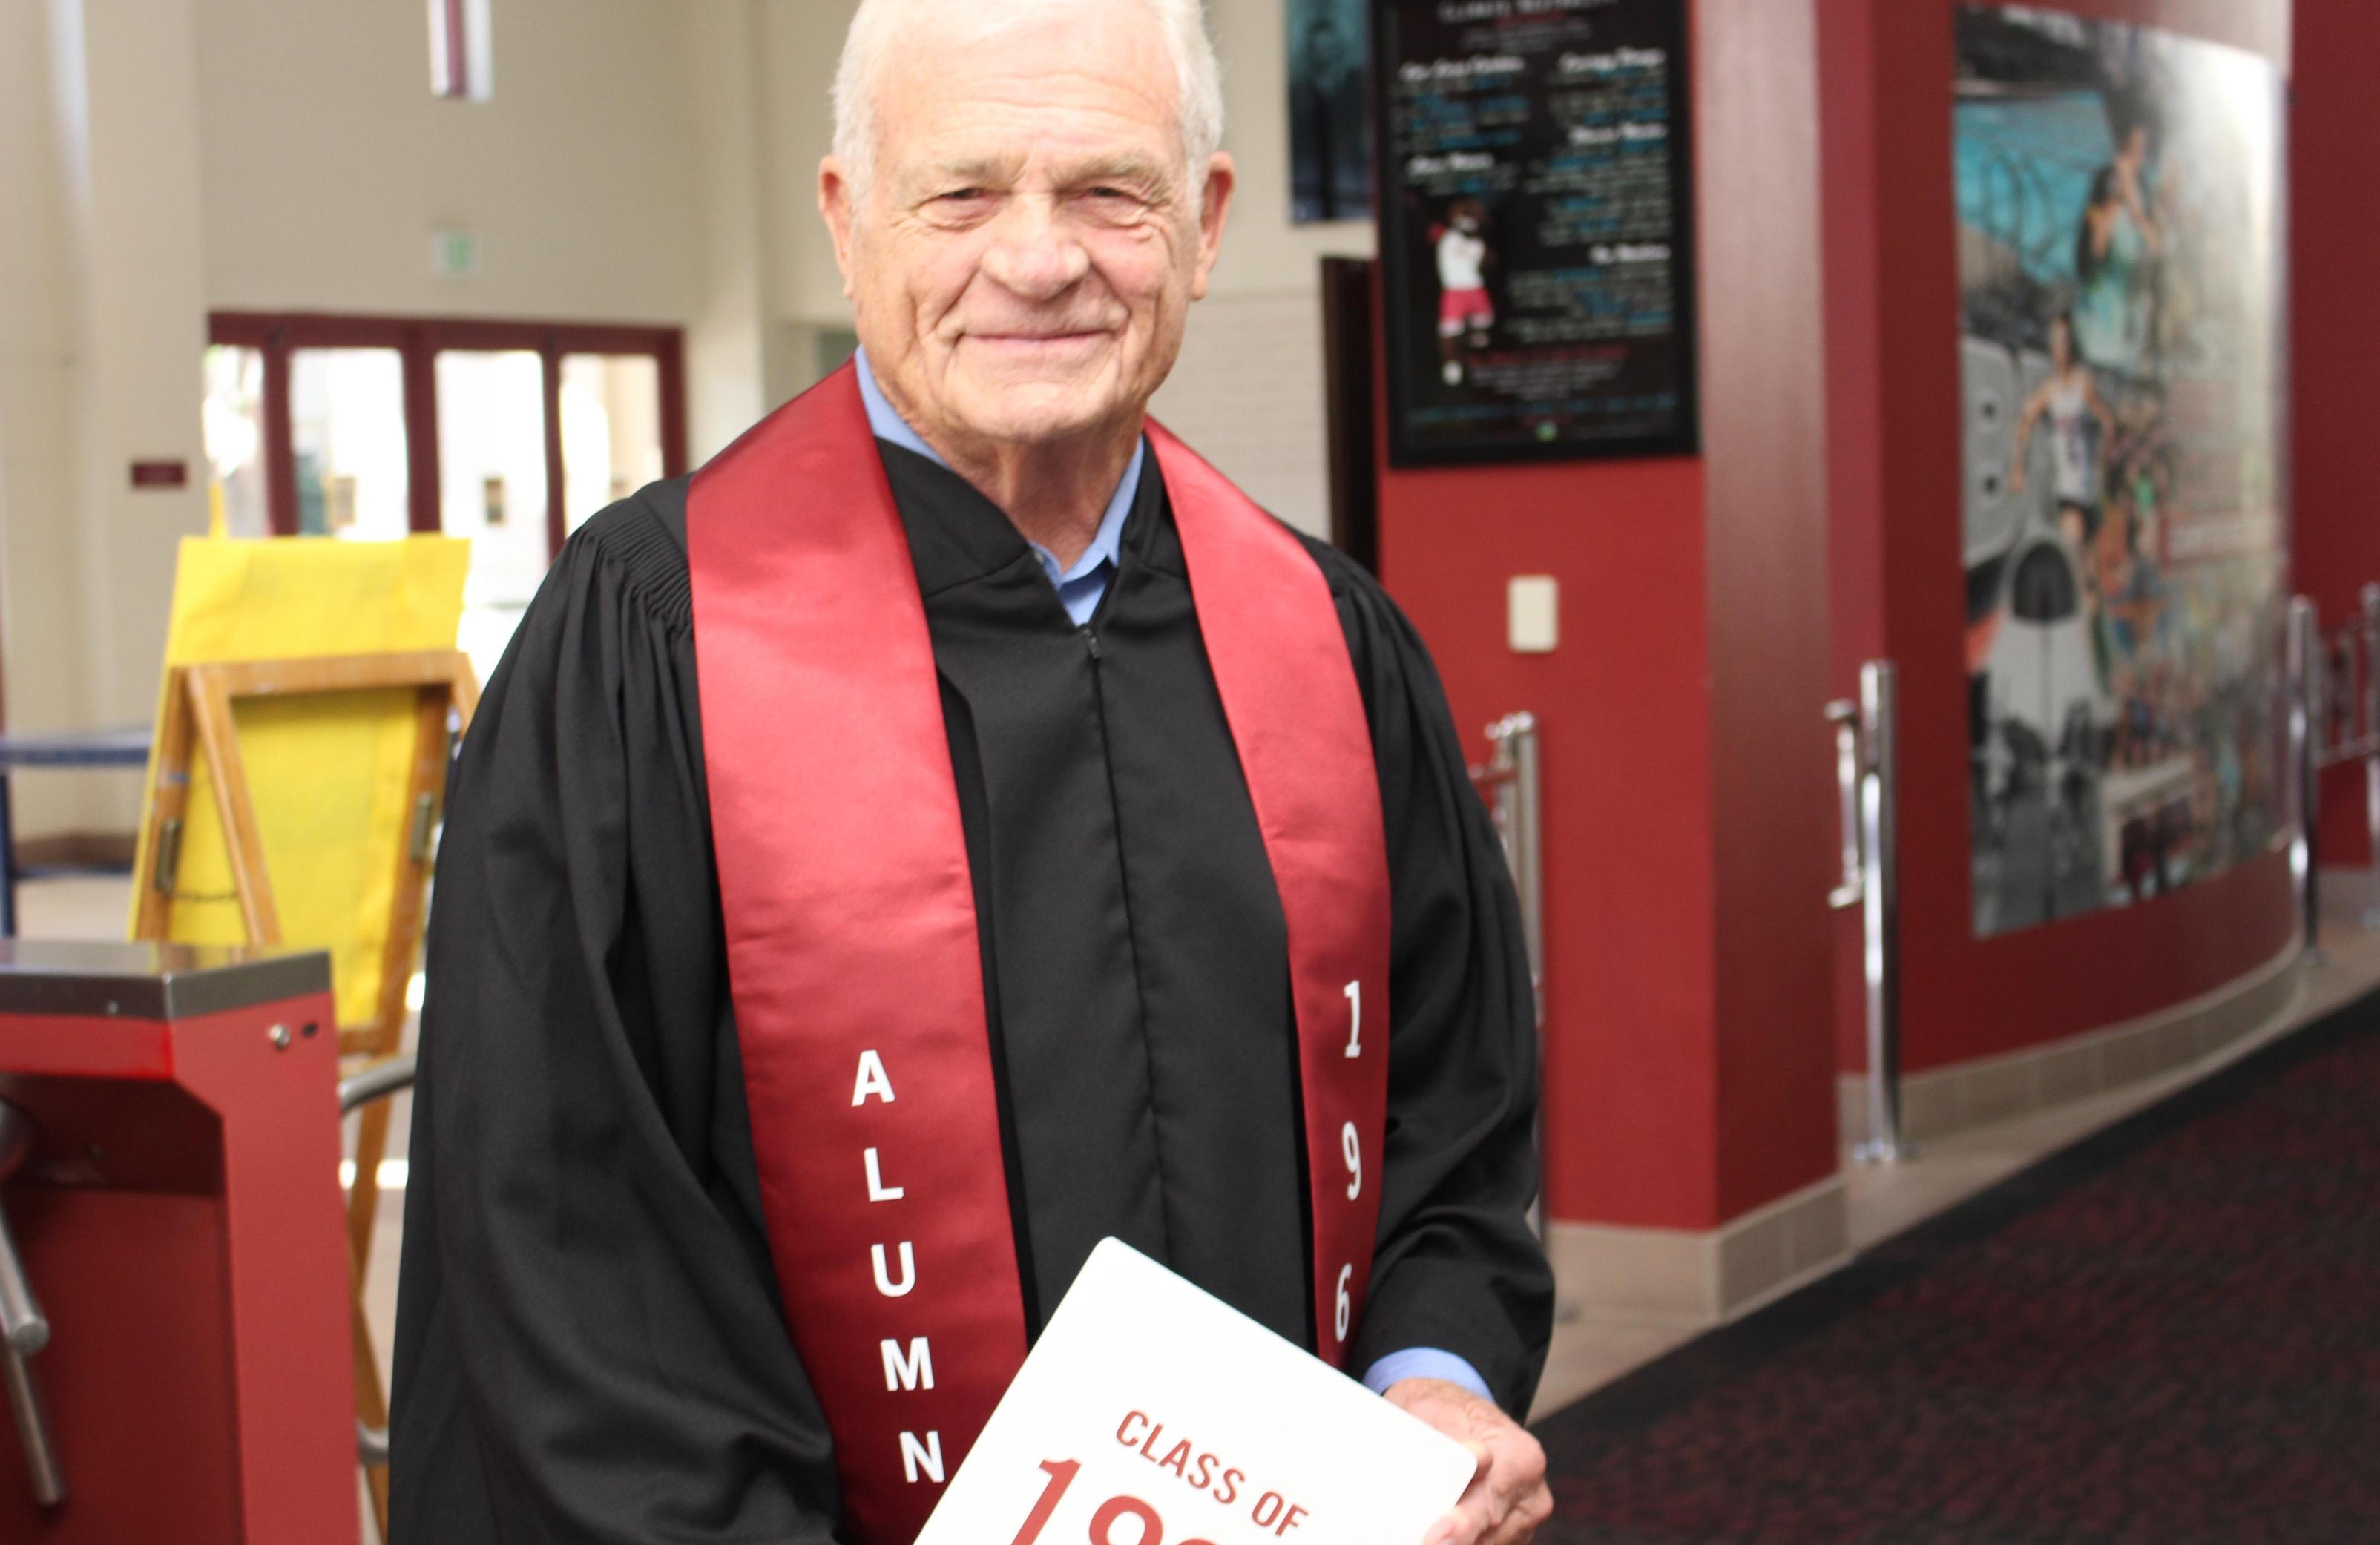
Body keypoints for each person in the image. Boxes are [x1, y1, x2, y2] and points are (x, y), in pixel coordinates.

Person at [387, 3, 1554, 1544]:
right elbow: (568, 1243)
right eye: (961, 192)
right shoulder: (653, 643)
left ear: (1205, 223)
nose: (1038, 258)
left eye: (1108, 192)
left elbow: (1449, 1122)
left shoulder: (1327, 641)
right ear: (845, 219)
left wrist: (1429, 1378)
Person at [2009, 314, 2115, 556]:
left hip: (2087, 483)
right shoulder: (2049, 390)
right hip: (2065, 486)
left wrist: (2104, 461)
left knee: (2088, 559)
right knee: (2072, 544)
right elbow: (2024, 422)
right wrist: (2018, 467)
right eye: (2055, 341)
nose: (2059, 347)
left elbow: (2107, 422)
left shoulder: (2083, 383)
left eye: (2064, 340)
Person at [1433, 200, 1495, 386]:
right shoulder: (1446, 237)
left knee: (1483, 323)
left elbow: (1487, 264)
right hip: (1454, 290)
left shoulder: (1479, 244)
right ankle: (1452, 364)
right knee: (1449, 330)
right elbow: (1429, 227)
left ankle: (1473, 346)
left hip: (1475, 288)